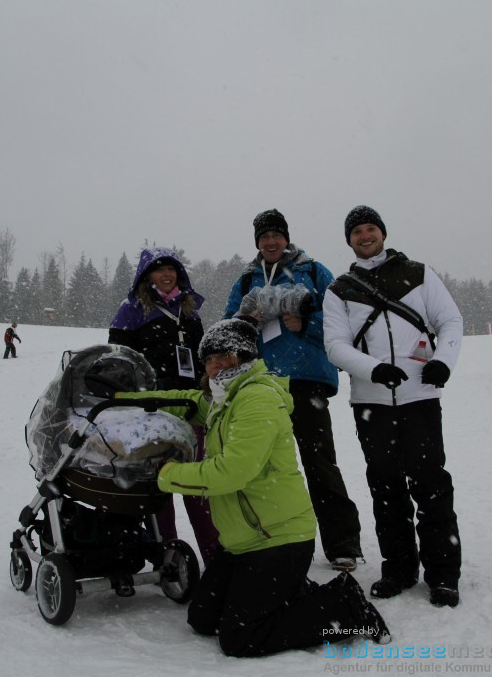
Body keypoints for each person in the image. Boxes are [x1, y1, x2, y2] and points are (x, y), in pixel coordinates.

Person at [113, 318, 390, 657]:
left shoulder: (255, 399)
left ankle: (344, 607)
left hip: (278, 538)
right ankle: (289, 589)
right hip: (244, 541)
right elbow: (183, 399)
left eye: (223, 357)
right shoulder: (222, 397)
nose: (215, 366)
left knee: (239, 636)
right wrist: (120, 398)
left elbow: (232, 473)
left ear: (243, 357)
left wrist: (166, 474)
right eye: (209, 360)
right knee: (202, 618)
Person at [322, 206, 464, 608]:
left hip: (420, 397)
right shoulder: (340, 289)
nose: (365, 236)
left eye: (371, 229)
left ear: (382, 232)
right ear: (349, 240)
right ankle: (399, 569)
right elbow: (336, 345)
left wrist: (442, 362)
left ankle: (443, 574)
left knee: (431, 484)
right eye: (357, 232)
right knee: (385, 489)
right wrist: (374, 369)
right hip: (371, 402)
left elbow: (450, 321)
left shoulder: (419, 273)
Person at [222, 208, 363, 572]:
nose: (270, 241)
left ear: (286, 237)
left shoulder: (314, 272)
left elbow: (339, 323)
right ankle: (268, 541)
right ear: (257, 241)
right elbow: (227, 332)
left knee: (319, 463)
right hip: (261, 386)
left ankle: (342, 544)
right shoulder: (247, 279)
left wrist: (304, 324)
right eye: (264, 236)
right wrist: (245, 323)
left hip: (306, 381)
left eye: (276, 235)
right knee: (262, 468)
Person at [109, 246, 220, 568]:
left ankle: (215, 556)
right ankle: (166, 557)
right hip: (151, 410)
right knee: (160, 483)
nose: (166, 274)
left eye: (171, 269)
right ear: (146, 275)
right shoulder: (131, 309)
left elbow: (202, 356)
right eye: (159, 269)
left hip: (189, 406)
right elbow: (120, 360)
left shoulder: (190, 309)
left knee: (196, 480)